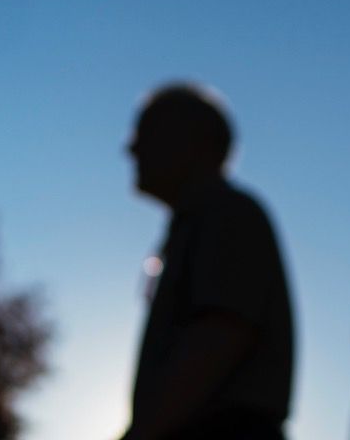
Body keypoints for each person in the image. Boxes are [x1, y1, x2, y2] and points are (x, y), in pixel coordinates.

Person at [121, 84, 294, 440]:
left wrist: (141, 433)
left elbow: (218, 335)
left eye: (146, 133)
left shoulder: (226, 213)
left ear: (193, 141)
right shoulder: (199, 222)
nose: (131, 148)